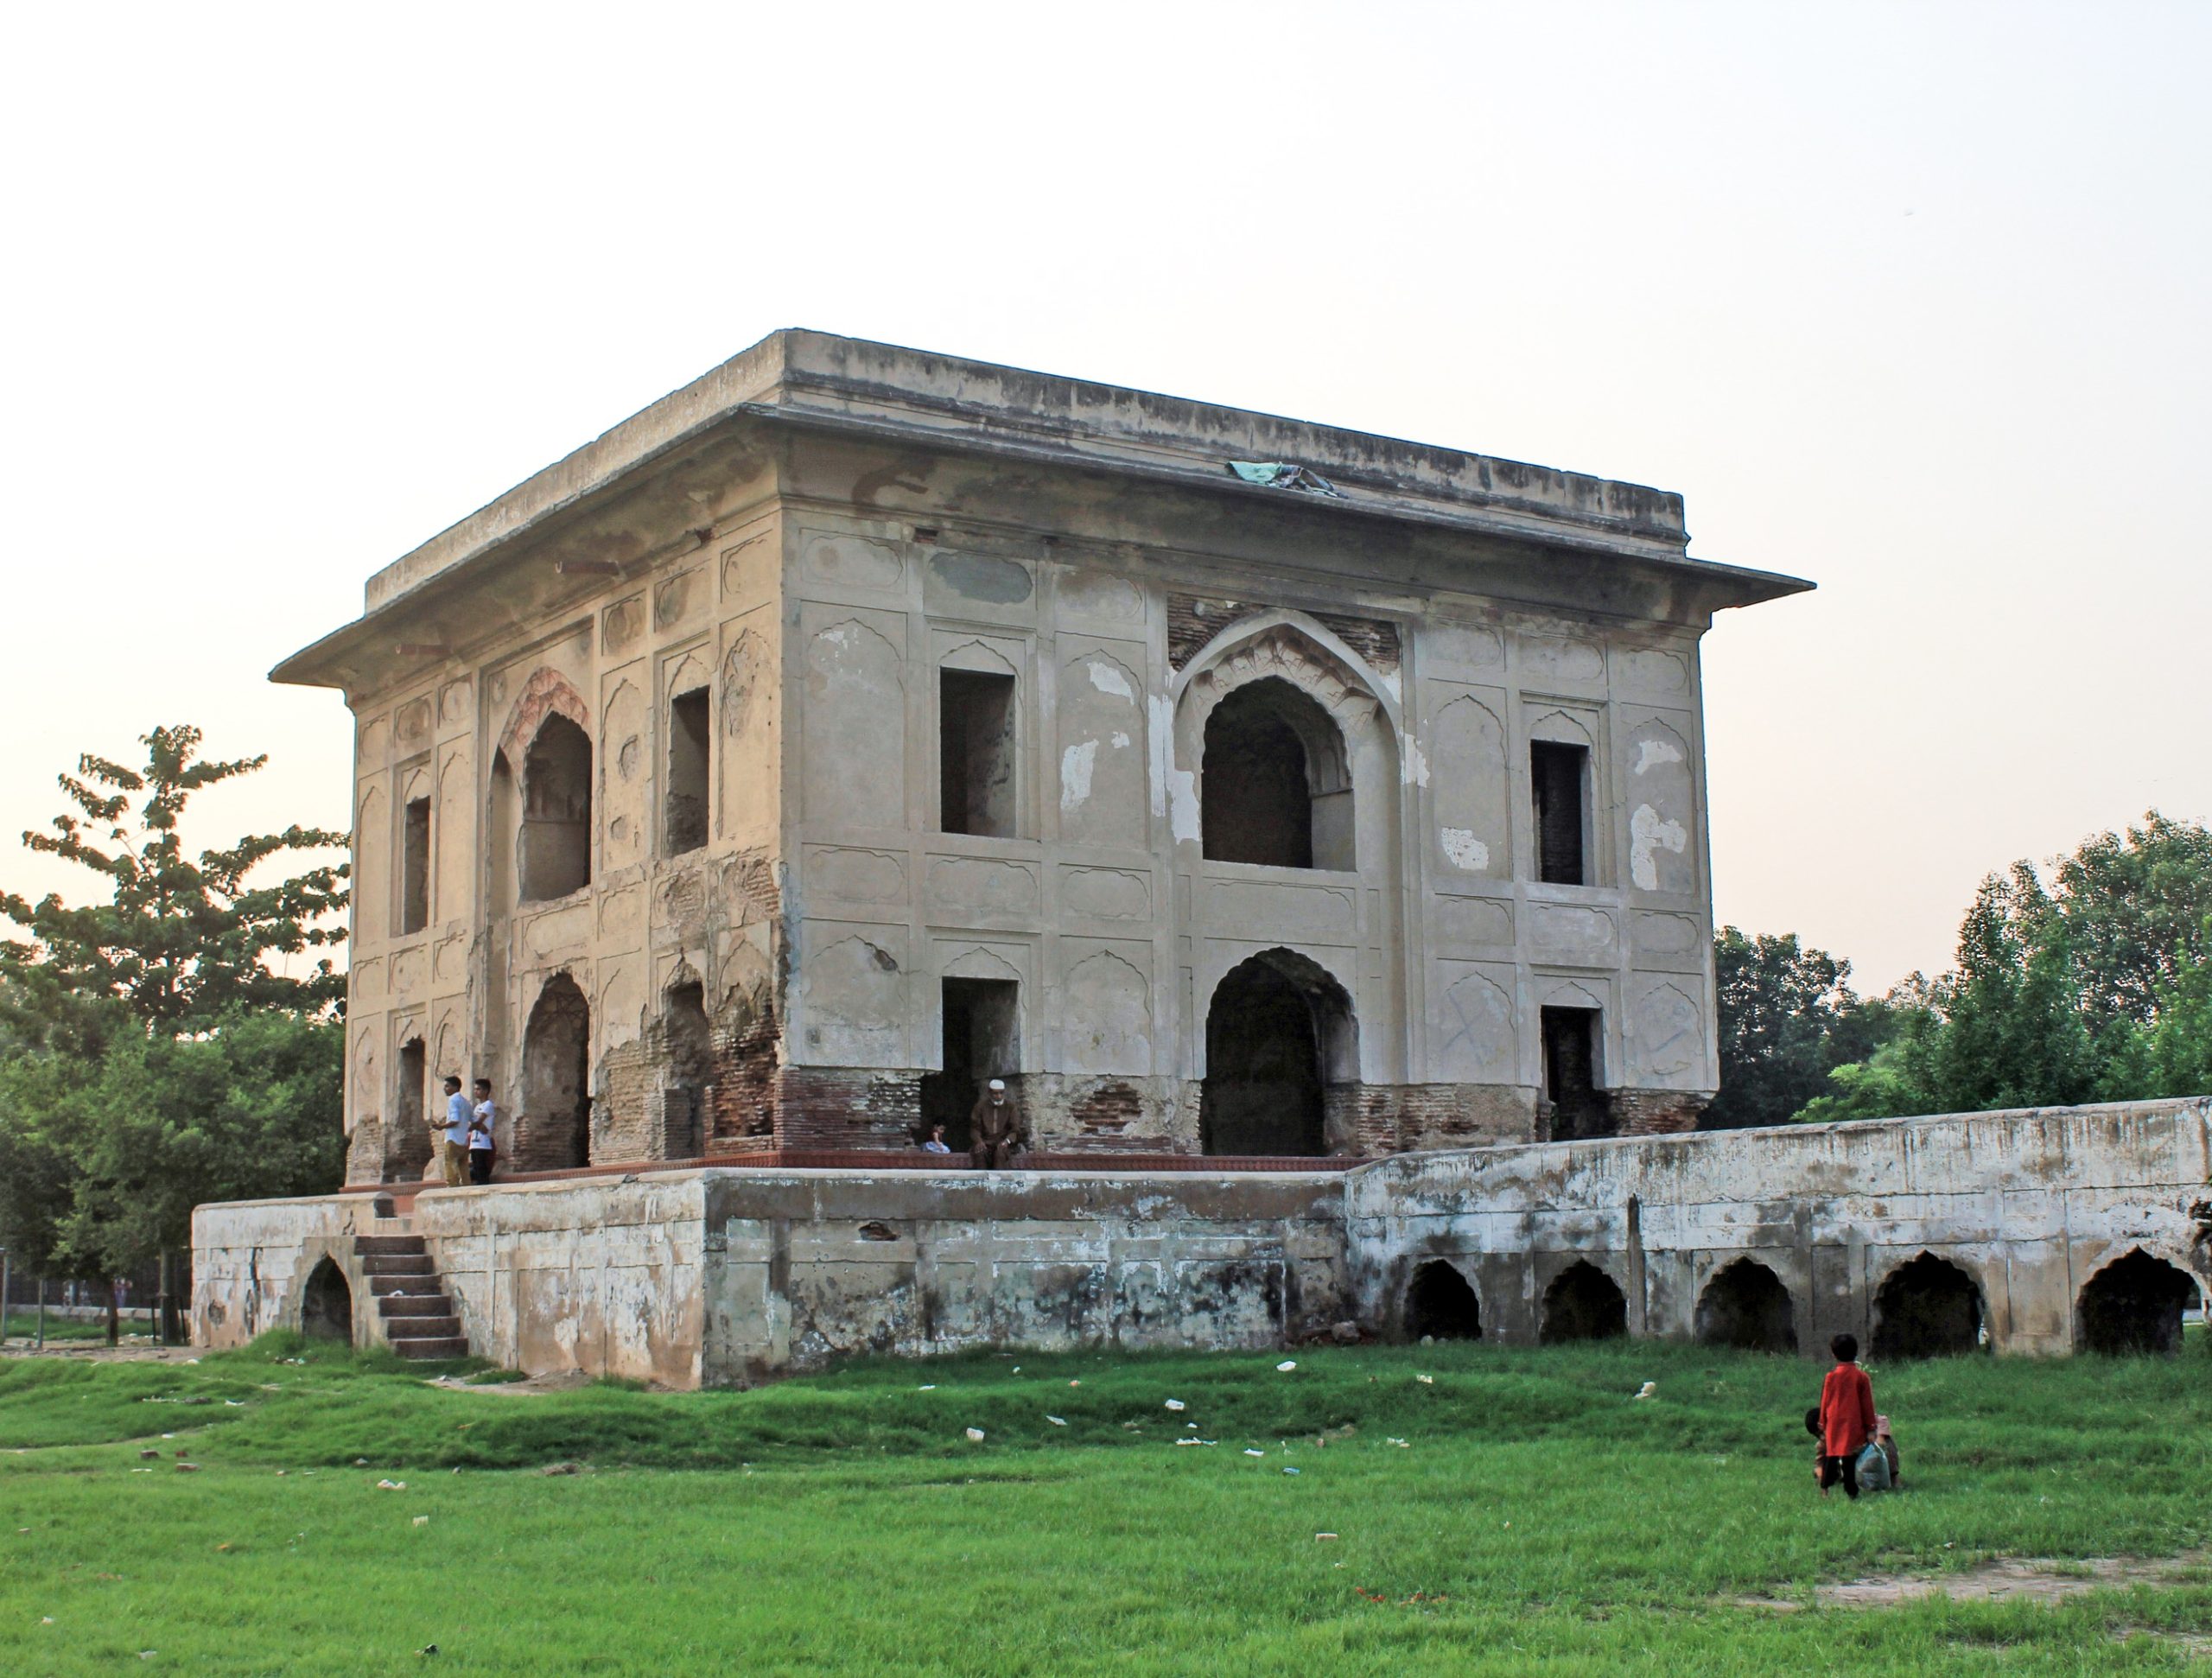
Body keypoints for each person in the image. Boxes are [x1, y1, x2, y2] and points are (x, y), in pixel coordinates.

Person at [1817, 1332, 1878, 1500]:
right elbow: (1867, 1405)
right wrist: (1871, 1428)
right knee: (1849, 1459)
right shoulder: (1862, 1377)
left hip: (1834, 1424)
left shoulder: (1831, 1377)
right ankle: (1852, 1492)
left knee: (1831, 1456)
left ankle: (1825, 1490)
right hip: (1852, 1424)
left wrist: (1822, 1422)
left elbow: (1825, 1402)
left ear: (1833, 1354)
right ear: (1856, 1352)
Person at [969, 1078, 1028, 1170]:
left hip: (1003, 1142)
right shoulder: (980, 1106)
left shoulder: (1010, 1107)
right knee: (979, 1152)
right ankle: (982, 1183)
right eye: (995, 1093)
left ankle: (999, 1183)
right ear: (989, 1092)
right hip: (985, 1142)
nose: (999, 1096)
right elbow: (975, 1128)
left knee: (1000, 1154)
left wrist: (1007, 1141)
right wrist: (979, 1141)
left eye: (1001, 1093)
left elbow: (1015, 1129)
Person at [436, 1075, 470, 1188]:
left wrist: (441, 1126)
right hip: (464, 1140)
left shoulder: (453, 1100)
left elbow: (455, 1120)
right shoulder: (466, 1102)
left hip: (452, 1138)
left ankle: (452, 1187)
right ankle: (466, 1186)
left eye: (447, 1086)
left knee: (450, 1164)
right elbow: (474, 1121)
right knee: (463, 1165)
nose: (445, 1089)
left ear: (455, 1087)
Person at [467, 1077, 498, 1185]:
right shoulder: (477, 1107)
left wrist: (465, 1129)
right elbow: (476, 1123)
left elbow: (479, 1121)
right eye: (475, 1089)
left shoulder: (488, 1105)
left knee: (482, 1172)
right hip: (474, 1143)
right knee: (476, 1169)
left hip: (483, 1144)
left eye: (478, 1089)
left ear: (485, 1091)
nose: (476, 1091)